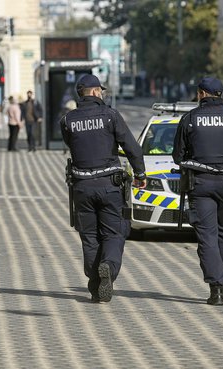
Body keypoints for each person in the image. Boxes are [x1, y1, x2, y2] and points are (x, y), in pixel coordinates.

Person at [60, 74, 146, 303]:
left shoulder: (68, 119)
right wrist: (140, 174)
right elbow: (131, 146)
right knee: (114, 232)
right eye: (101, 91)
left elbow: (70, 143)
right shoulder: (110, 116)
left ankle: (94, 284)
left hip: (81, 187)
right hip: (109, 185)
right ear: (96, 91)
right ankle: (108, 266)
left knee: (89, 237)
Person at [172, 77, 223, 305]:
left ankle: (216, 288)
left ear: (201, 94)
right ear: (220, 94)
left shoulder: (189, 119)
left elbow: (178, 156)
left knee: (207, 236)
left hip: (201, 184)